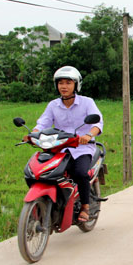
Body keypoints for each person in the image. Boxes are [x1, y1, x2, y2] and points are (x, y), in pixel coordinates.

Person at [32, 66, 103, 222]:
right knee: (43, 172)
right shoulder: (53, 105)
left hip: (82, 148)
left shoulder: (87, 103)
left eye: (68, 83)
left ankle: (85, 206)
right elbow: (43, 122)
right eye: (60, 83)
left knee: (80, 173)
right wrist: (33, 133)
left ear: (76, 85)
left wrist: (89, 134)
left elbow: (98, 123)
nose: (63, 86)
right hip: (59, 148)